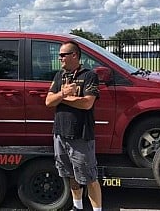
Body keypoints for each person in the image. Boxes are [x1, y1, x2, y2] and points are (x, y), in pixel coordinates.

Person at [45, 41, 102, 211]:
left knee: (90, 177)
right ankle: (77, 207)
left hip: (81, 134)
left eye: (63, 55)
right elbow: (48, 101)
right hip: (60, 133)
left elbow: (87, 104)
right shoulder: (59, 76)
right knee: (70, 174)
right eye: (60, 55)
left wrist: (61, 99)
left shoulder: (89, 76)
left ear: (74, 55)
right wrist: (63, 94)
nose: (60, 58)